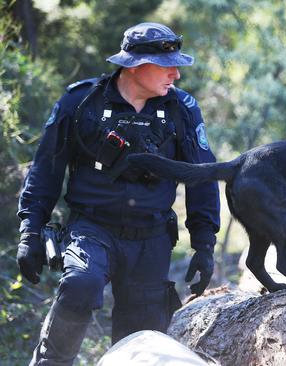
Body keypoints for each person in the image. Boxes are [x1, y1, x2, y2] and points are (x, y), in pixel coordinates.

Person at [16, 22, 220, 365]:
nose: (176, 75)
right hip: (92, 229)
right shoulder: (81, 103)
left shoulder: (182, 109)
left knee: (139, 342)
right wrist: (30, 231)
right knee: (80, 286)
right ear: (136, 65)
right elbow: (45, 171)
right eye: (168, 65)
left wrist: (204, 244)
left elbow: (201, 176)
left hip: (151, 239)